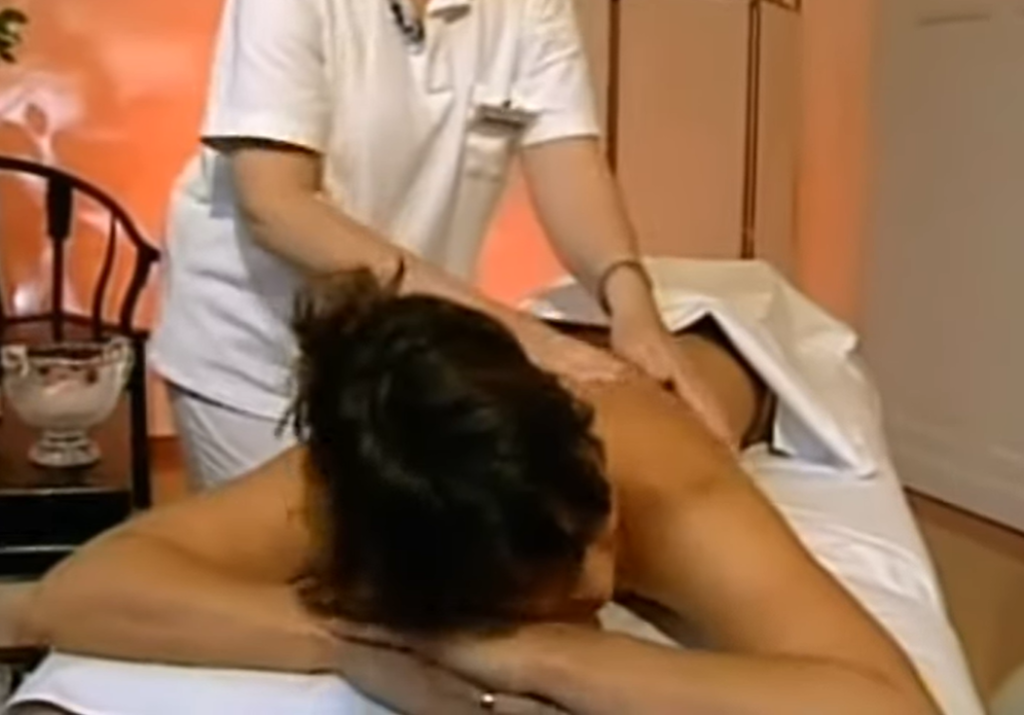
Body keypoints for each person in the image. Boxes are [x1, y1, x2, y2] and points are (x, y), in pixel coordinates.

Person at [16, 270, 940, 715]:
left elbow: (889, 705)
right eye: (550, 577)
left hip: (718, 330)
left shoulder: (657, 466)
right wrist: (362, 643)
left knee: (720, 341)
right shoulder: (364, 476)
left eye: (596, 530)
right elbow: (80, 590)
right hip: (533, 340)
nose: (597, 578)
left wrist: (543, 653)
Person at [150, 0, 727, 489]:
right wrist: (519, 336)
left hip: (401, 335)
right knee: (284, 564)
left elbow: (567, 158)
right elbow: (277, 206)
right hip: (257, 344)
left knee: (403, 560)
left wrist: (632, 304)